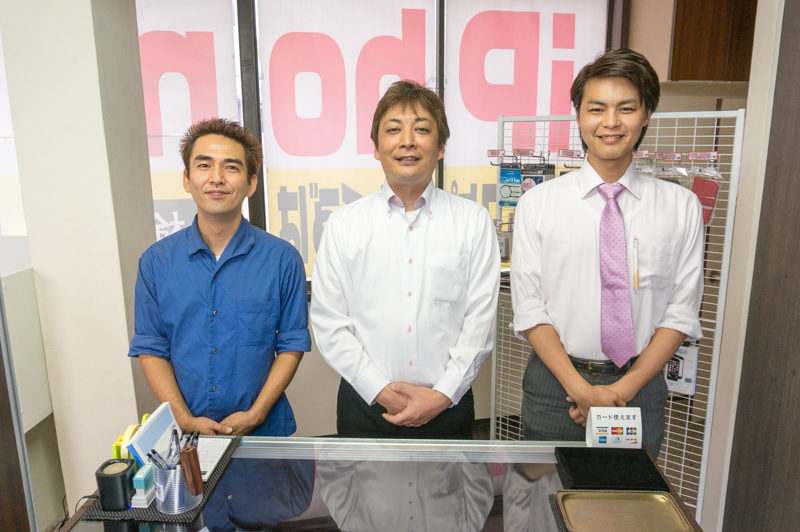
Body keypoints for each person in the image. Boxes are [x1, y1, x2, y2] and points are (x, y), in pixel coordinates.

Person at [510, 49, 704, 457]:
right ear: (579, 116)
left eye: (626, 108)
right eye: (596, 109)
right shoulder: (537, 203)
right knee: (546, 490)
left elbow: (681, 311)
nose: (610, 122)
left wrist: (622, 390)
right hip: (555, 384)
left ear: (646, 114)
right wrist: (580, 390)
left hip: (640, 382)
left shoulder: (681, 206)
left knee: (629, 493)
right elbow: (529, 307)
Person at [310, 80, 500, 439]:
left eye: (422, 129)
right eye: (394, 129)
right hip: (365, 405)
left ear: (441, 147)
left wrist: (442, 395)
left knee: (451, 481)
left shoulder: (473, 221)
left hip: (449, 404)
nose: (408, 141)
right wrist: (381, 391)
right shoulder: (344, 225)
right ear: (376, 147)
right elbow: (329, 322)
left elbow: (481, 320)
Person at [128, 118, 311, 436]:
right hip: (187, 436)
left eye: (231, 167)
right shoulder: (156, 263)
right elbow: (151, 348)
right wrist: (184, 420)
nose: (217, 178)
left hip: (264, 432)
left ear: (251, 183)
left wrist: (255, 415)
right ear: (187, 179)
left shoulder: (283, 259)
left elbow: (291, 344)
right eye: (204, 165)